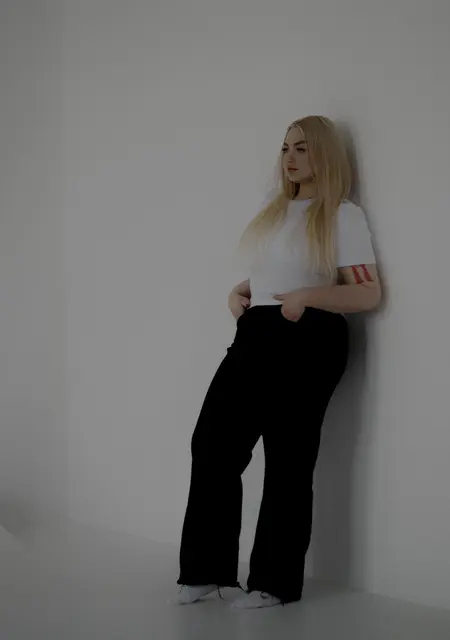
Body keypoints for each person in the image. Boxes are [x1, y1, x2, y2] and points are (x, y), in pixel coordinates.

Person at [173, 116, 381, 609]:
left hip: (310, 337)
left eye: (302, 148)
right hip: (258, 332)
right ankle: (206, 571)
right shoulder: (274, 209)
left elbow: (368, 292)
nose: (290, 157)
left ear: (324, 154)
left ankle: (273, 582)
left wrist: (307, 298)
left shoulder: (342, 215)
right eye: (286, 147)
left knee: (288, 458)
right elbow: (275, 270)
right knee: (213, 444)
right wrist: (240, 291)